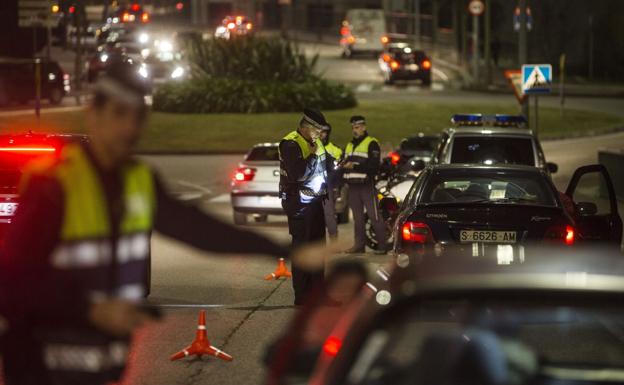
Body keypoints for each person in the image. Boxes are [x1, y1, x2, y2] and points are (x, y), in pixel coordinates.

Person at [0, 62, 328, 385]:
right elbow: (13, 281)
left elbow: (196, 228)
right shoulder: (53, 185)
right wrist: (90, 311)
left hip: (100, 363)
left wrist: (284, 250)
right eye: (118, 114)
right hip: (40, 364)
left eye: (137, 117)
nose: (129, 128)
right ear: (93, 113)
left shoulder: (137, 180)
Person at [279, 108, 329, 305]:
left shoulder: (314, 143)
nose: (320, 134)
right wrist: (313, 156)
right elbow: (297, 174)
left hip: (316, 203)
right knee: (302, 251)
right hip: (298, 204)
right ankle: (302, 298)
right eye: (317, 130)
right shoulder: (291, 144)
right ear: (307, 127)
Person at [342, 115, 387, 254]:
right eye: (353, 128)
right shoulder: (350, 145)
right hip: (353, 186)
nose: (355, 130)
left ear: (364, 127)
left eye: (357, 127)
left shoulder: (371, 143)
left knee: (374, 217)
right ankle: (359, 246)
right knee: (358, 219)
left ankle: (382, 246)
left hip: (366, 185)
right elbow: (345, 164)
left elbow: (373, 167)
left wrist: (354, 166)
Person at [319, 123, 343, 239]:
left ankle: (334, 240)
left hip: (328, 184)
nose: (321, 135)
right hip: (312, 185)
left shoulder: (335, 150)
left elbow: (338, 171)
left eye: (324, 132)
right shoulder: (312, 147)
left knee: (329, 213)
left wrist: (336, 187)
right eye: (319, 132)